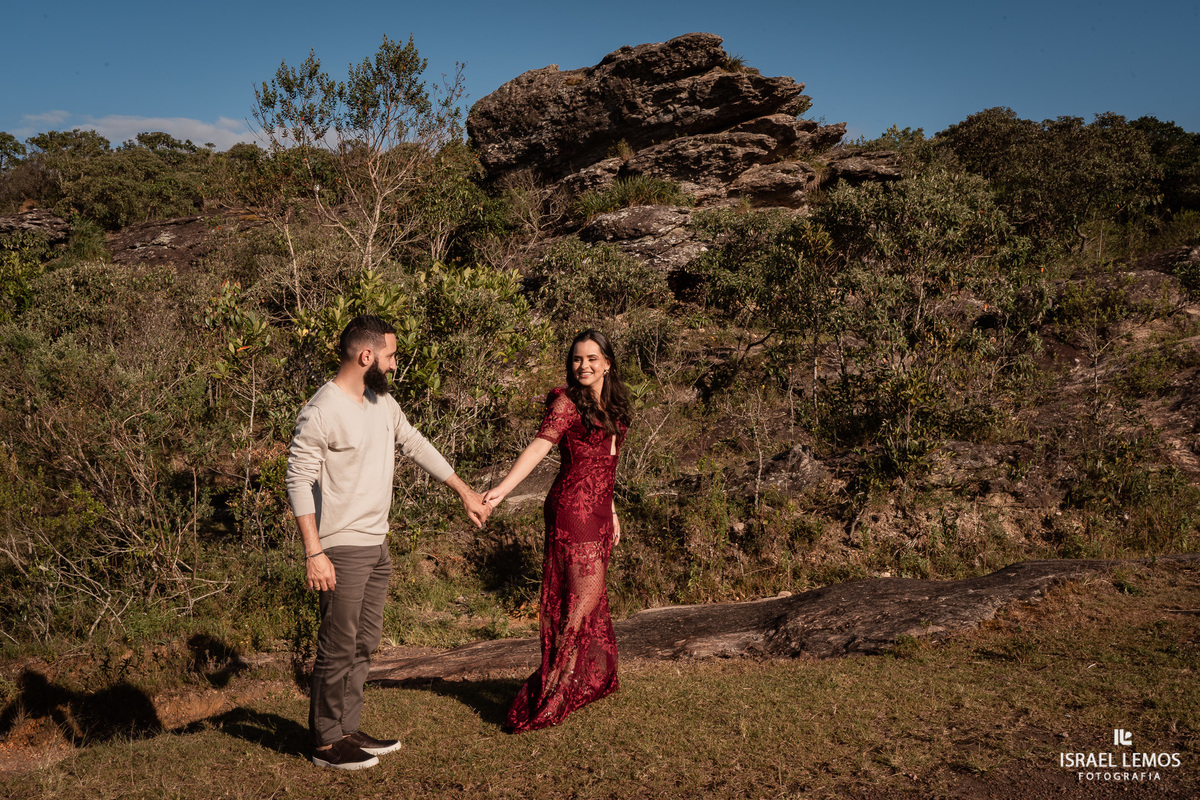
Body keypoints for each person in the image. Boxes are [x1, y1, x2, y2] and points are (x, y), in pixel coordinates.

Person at [286, 314, 490, 769]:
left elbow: (414, 443)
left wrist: (465, 492)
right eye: (391, 355)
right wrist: (314, 552)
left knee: (364, 641)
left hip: (377, 543)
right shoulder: (321, 410)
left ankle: (347, 728)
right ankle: (325, 743)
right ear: (367, 355)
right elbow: (297, 480)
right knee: (338, 644)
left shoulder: (381, 401)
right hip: (340, 546)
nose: (395, 364)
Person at [482, 329, 632, 732]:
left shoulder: (614, 404)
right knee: (581, 601)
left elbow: (606, 464)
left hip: (599, 509)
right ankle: (555, 688)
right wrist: (501, 490)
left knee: (588, 598)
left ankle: (575, 678)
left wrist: (613, 510)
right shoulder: (567, 403)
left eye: (592, 358)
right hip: (574, 509)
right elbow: (539, 447)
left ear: (607, 363)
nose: (583, 366)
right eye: (577, 359)